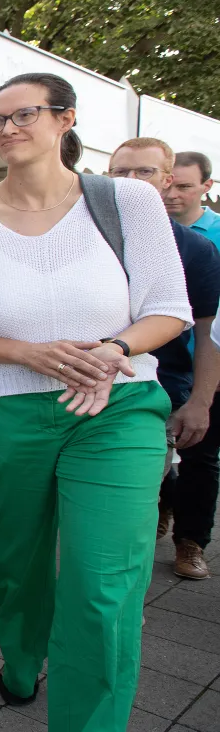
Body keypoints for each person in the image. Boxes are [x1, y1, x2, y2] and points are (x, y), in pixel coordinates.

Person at [0, 72, 189, 729]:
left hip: (116, 407)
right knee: (17, 567)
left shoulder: (128, 201)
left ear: (65, 121)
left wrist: (115, 351)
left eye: (25, 114)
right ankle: (21, 658)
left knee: (103, 589)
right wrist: (27, 353)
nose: (8, 129)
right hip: (5, 415)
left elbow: (170, 309)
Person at [112, 139, 220, 581]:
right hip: (95, 383)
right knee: (125, 497)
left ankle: (190, 540)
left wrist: (201, 399)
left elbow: (208, 333)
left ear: (167, 180)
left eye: (144, 173)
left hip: (164, 386)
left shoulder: (194, 249)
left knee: (195, 463)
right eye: (121, 173)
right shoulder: (86, 235)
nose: (131, 183)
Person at [165, 151, 220, 248]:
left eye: (184, 186)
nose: (171, 195)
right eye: (165, 186)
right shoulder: (142, 228)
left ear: (207, 186)